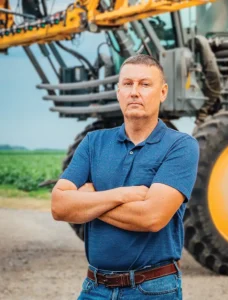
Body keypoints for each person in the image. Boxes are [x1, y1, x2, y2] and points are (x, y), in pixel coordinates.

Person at [51, 54, 200, 299]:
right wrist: (122, 195)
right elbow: (59, 206)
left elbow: (152, 217)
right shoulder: (93, 142)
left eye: (144, 84)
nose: (134, 92)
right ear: (118, 91)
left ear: (163, 92)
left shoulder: (181, 146)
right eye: (128, 84)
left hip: (153, 289)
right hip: (94, 287)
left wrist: (89, 201)